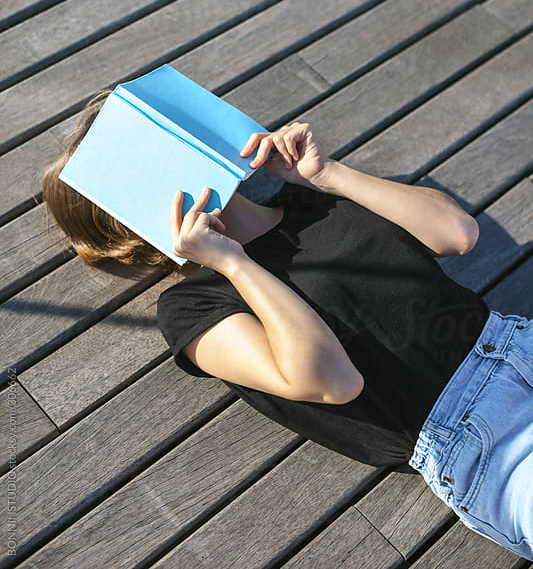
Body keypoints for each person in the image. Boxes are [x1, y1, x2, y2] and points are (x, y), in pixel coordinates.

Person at [42, 91, 533, 560]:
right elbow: (330, 381)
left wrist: (328, 175)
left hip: (515, 341)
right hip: (474, 433)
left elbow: (458, 234)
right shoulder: (194, 304)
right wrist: (234, 264)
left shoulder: (311, 200)